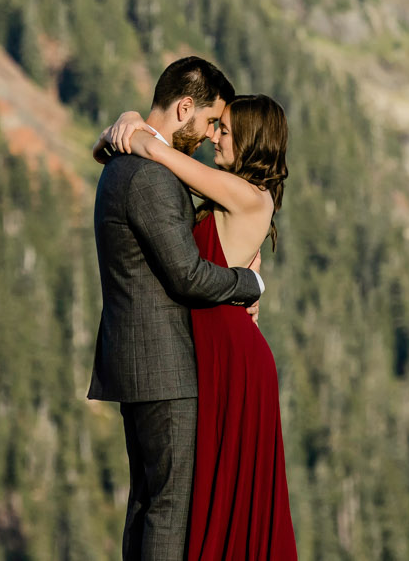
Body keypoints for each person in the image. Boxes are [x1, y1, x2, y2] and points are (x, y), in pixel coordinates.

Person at [98, 95, 297, 560]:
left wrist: (131, 122)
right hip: (217, 344)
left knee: (204, 491)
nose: (214, 136)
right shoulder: (231, 193)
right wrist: (129, 121)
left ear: (249, 139)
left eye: (224, 130)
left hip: (233, 353)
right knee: (203, 489)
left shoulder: (247, 194)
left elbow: (159, 152)